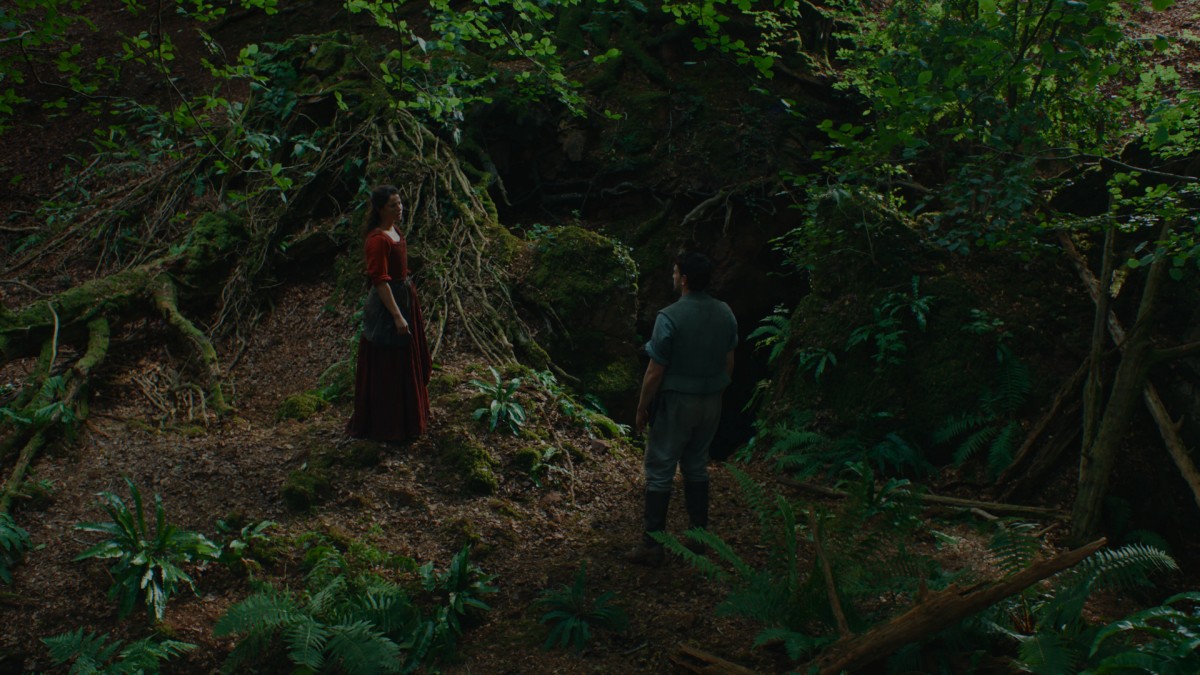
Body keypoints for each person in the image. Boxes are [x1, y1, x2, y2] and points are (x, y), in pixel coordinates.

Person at [628, 251, 737, 566]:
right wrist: (715, 391)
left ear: (684, 279)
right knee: (696, 464)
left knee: (661, 467)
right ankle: (699, 536)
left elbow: (655, 371)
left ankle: (652, 543)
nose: (673, 277)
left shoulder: (670, 316)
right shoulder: (725, 312)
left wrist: (641, 408)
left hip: (677, 401)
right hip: (711, 401)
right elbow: (729, 361)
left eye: (675, 273)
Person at [347, 185, 432, 442]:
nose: (400, 207)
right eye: (393, 205)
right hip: (388, 307)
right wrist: (396, 315)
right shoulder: (377, 240)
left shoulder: (394, 230)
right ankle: (389, 425)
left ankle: (410, 418)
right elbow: (380, 281)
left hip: (405, 298)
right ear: (381, 209)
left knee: (406, 359)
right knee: (389, 364)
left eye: (400, 203)